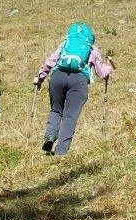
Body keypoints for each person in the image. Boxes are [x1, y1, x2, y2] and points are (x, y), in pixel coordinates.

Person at [34, 22, 115, 156]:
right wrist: (110, 68)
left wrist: (40, 77)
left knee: (56, 109)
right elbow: (102, 73)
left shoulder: (65, 44)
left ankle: (50, 137)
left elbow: (50, 61)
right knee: (70, 117)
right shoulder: (91, 48)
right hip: (78, 81)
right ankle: (61, 151)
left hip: (58, 78)